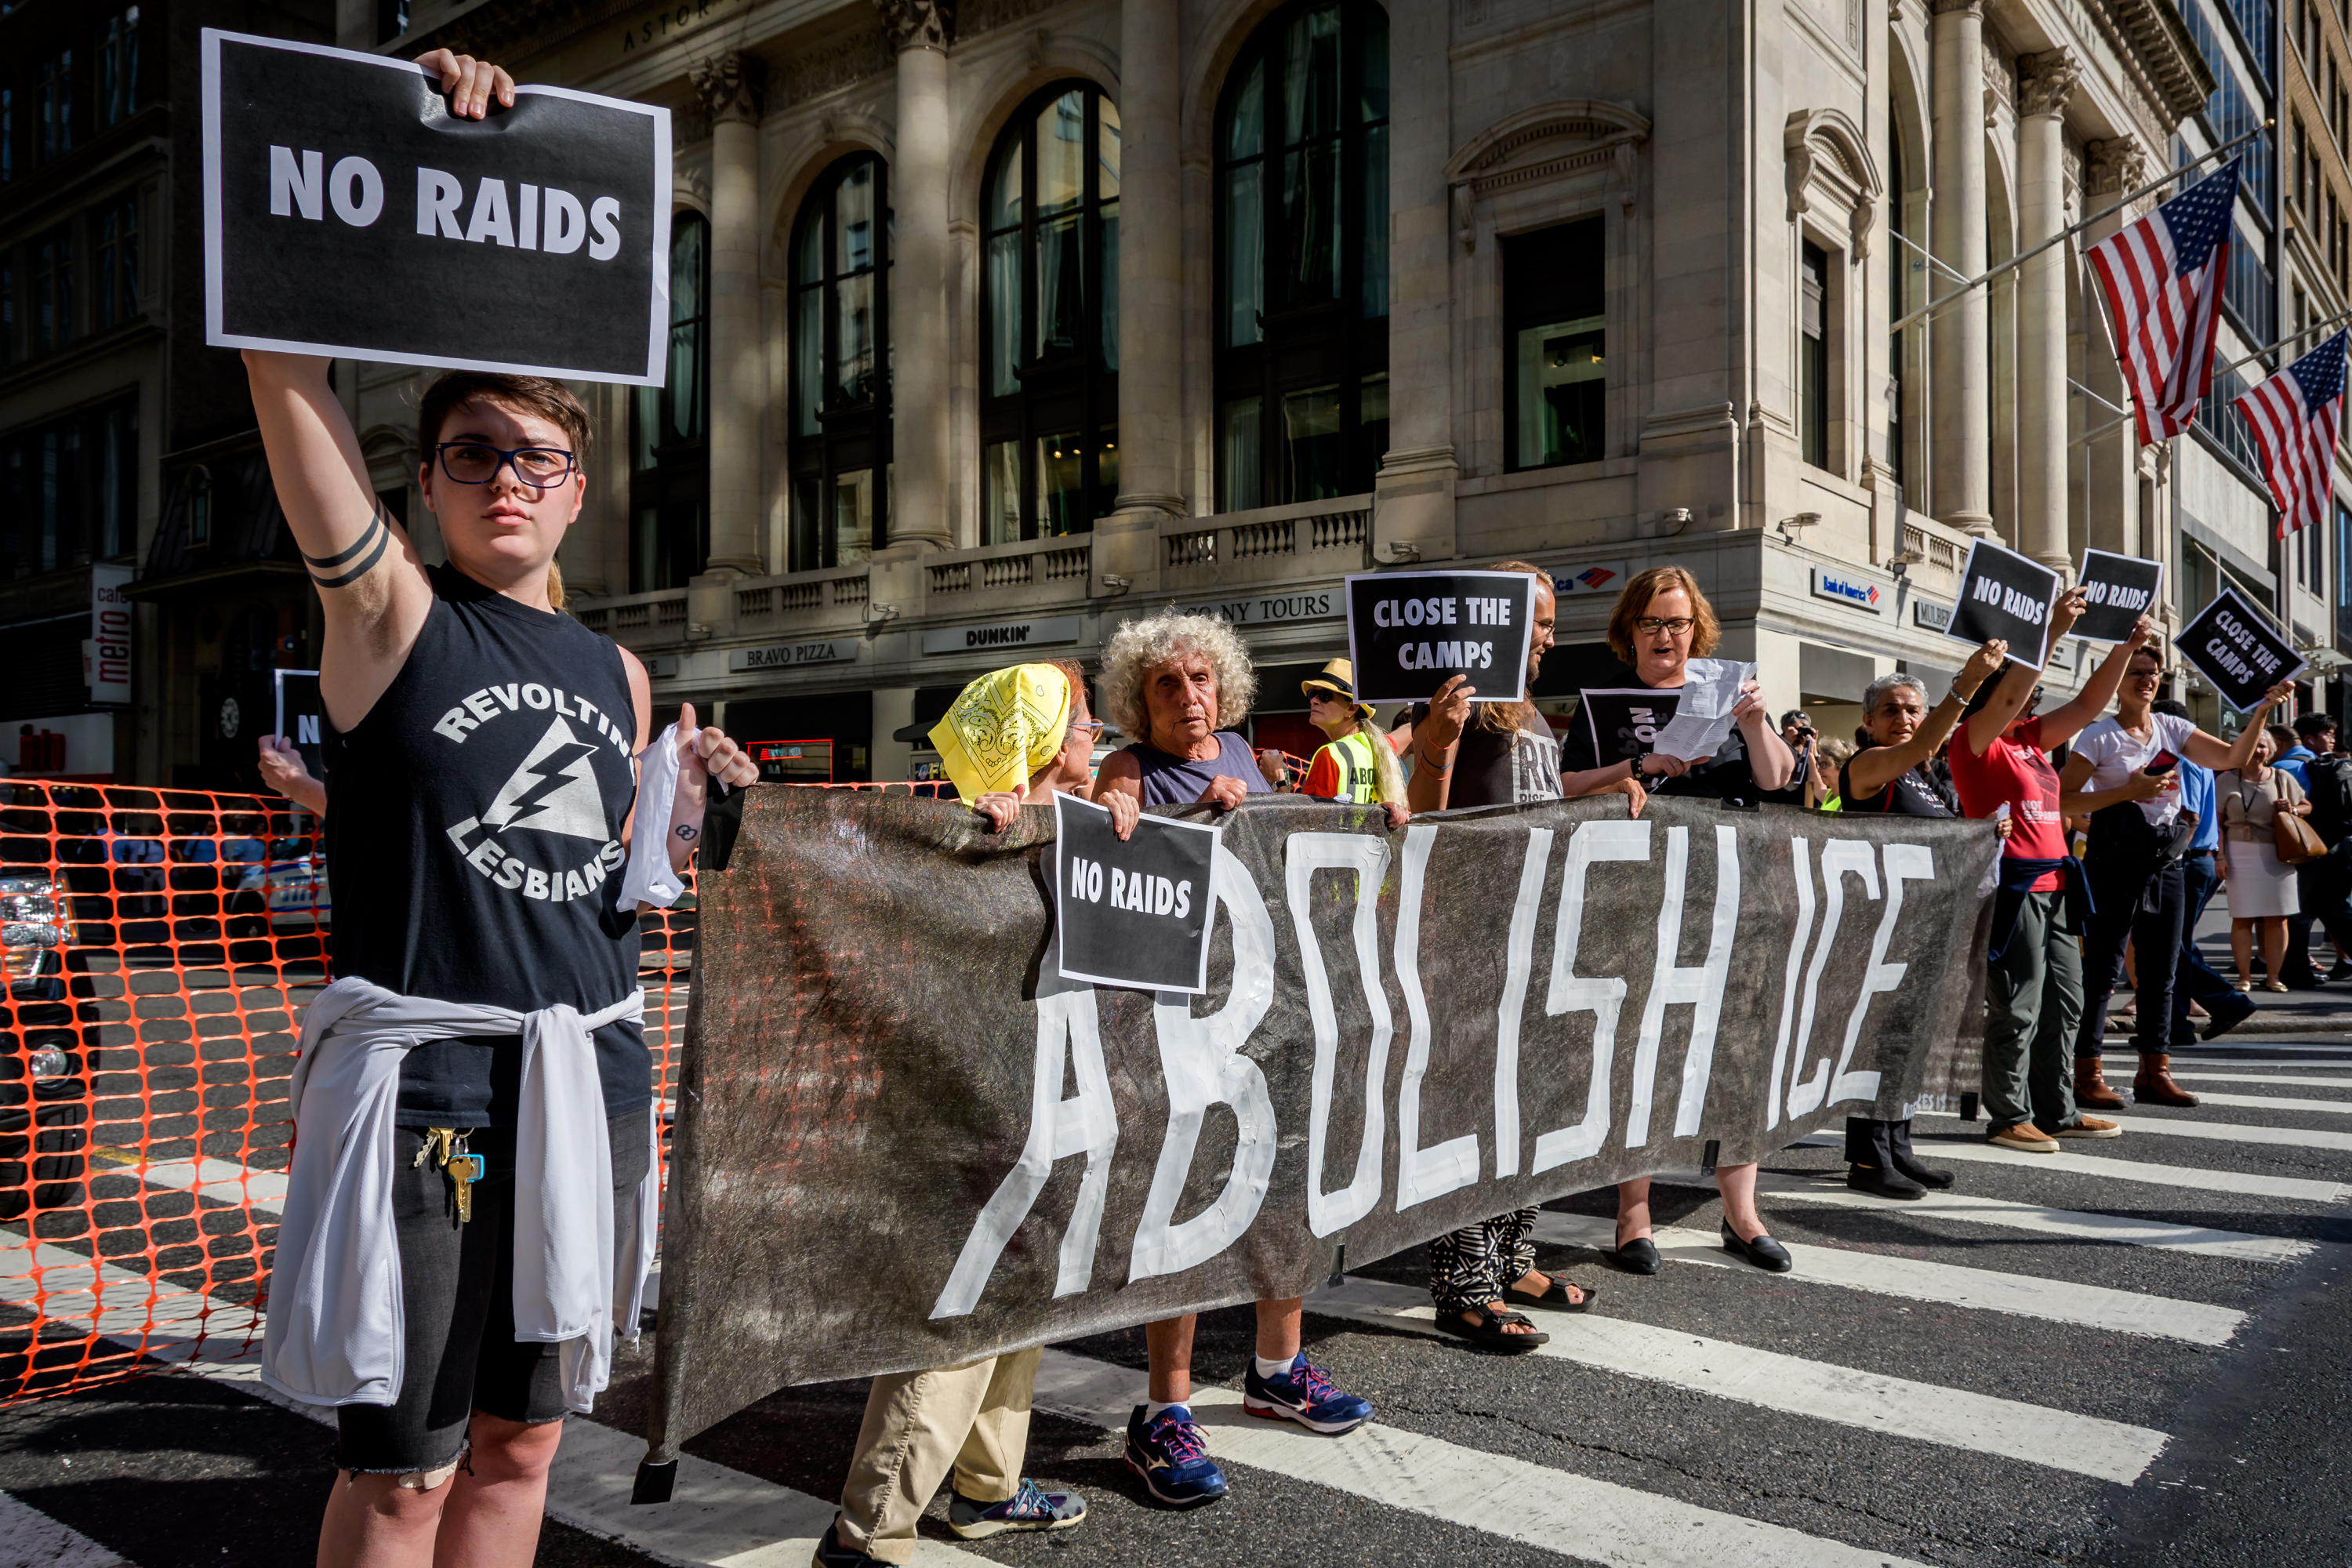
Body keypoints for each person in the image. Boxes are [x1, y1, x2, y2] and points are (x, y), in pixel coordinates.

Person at [241, 50, 761, 1568]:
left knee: (526, 1441)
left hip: (586, 1080)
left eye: (539, 457)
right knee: (404, 1468)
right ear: (425, 484)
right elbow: (283, 370)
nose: (508, 479)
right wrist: (395, 135)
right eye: (472, 455)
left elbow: (615, 879)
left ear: (580, 488)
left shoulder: (619, 671)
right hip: (437, 1097)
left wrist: (696, 819)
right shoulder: (392, 618)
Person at [813, 663, 1112, 1567]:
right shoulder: (975, 833)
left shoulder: (1074, 825)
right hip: (979, 1109)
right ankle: (868, 1533)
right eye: (1085, 721)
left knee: (1019, 1300)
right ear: (1047, 738)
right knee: (964, 1308)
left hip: (1044, 1099)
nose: (1097, 737)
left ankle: (986, 1484)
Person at [1091, 610, 1374, 1506]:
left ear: (1226, 685)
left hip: (1270, 1008)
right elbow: (1108, 856)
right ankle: (1164, 1411)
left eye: (1201, 678)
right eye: (1166, 683)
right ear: (1139, 701)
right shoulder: (1129, 768)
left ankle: (1278, 1369)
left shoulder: (1247, 754)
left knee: (1281, 1188)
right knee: (1185, 1204)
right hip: (1175, 1024)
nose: (1189, 695)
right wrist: (1155, 812)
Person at [1403, 562, 1628, 1346]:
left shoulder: (1529, 711)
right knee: (1474, 1106)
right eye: (1538, 623)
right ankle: (1464, 1285)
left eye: (1552, 624)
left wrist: (1612, 789)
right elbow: (1421, 815)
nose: (1549, 639)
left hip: (1536, 934)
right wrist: (1440, 736)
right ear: (1494, 620)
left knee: (1531, 1103)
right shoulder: (1452, 702)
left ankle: (1511, 1259)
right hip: (1471, 940)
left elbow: (1542, 800)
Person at [1557, 565, 1799, 1274]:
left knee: (1736, 1048)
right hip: (1637, 899)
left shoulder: (1727, 691)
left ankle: (1742, 1213)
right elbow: (1563, 786)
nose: (1667, 635)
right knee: (1641, 1047)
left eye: (1679, 622)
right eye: (1653, 622)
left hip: (1729, 895)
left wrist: (1753, 722)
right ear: (1630, 630)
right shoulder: (1602, 703)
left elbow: (1776, 779)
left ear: (1698, 629)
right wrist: (1637, 765)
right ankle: (1634, 1213)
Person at [1947, 595, 2140, 1153]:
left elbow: (2088, 704)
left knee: (2066, 1002)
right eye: (2026, 694)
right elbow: (2009, 694)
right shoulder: (1973, 740)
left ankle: (2057, 1110)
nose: (2032, 701)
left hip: (2056, 885)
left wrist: (2125, 648)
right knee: (2018, 1005)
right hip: (2013, 885)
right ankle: (2009, 1115)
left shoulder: (2028, 741)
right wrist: (2052, 629)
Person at [2060, 642, 2288, 1109]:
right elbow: (2062, 799)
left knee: (2162, 973)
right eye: (2136, 672)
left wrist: (2262, 711)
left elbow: (2231, 758)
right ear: (2117, 682)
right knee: (2102, 972)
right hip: (2113, 864)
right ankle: (2087, 1074)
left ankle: (2155, 1072)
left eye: (2153, 672)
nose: (2147, 680)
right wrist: (2129, 790)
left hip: (2166, 863)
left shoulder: (2172, 727)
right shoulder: (2097, 736)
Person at [1838, 647, 2008, 1198]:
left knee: (1907, 1043)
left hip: (1926, 928)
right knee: (1877, 1043)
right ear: (1868, 721)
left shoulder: (1924, 779)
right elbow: (1922, 745)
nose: (1903, 718)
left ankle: (1898, 1147)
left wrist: (1981, 834)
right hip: (1879, 930)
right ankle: (1868, 1160)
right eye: (1890, 710)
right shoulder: (1868, 766)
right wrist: (1969, 683)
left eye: (1913, 709)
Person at [2150, 699, 2247, 1054]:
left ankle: (2223, 1002)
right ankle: (2178, 1024)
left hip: (2187, 860)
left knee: (2171, 945)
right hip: (2195, 860)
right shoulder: (2197, 760)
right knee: (2176, 944)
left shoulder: (2185, 758)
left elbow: (2188, 816)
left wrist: (2169, 858)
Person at [2218, 726, 2309, 994]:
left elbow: (2307, 805)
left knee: (2277, 918)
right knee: (2242, 917)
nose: (2257, 750)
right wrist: (2220, 856)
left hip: (2278, 854)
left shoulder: (2281, 777)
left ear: (2270, 751)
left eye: (2262, 746)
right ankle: (2244, 977)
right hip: (2238, 854)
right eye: (2252, 745)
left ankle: (2273, 977)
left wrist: (2293, 809)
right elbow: (2217, 823)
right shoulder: (2225, 780)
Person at [2281, 711, 2352, 986]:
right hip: (2338, 844)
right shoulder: (2333, 766)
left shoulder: (2288, 767)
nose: (2332, 739)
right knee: (2334, 906)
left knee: (2298, 908)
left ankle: (2297, 972)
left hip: (2308, 847)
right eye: (2328, 734)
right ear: (2309, 739)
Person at [1295, 659, 1410, 829]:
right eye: (1313, 694)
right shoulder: (1380, 750)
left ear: (1351, 708)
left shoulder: (1330, 755)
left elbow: (1308, 824)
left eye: (1325, 695)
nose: (1314, 701)